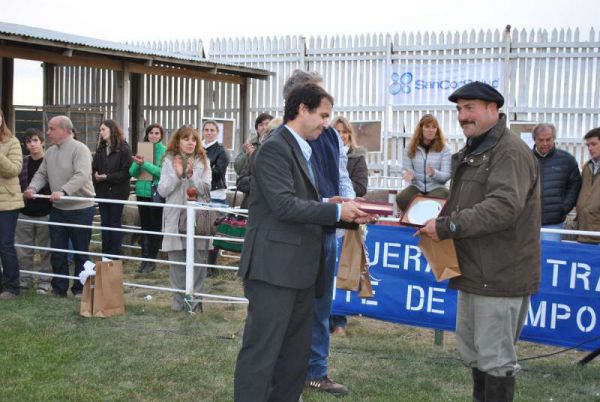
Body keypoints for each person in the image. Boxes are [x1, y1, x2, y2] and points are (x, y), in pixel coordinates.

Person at [233, 83, 369, 402]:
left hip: (299, 272)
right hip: (273, 272)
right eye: (322, 115)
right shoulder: (275, 147)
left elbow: (300, 201)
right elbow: (284, 205)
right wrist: (337, 209)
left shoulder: (300, 147)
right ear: (302, 110)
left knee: (294, 357)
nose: (326, 123)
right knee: (262, 354)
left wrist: (334, 206)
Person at [417, 82, 541, 402]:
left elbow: (503, 208)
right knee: (475, 355)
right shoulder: (476, 150)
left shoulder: (509, 151)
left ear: (492, 109)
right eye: (459, 109)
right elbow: (462, 201)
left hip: (499, 275)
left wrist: (446, 227)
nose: (462, 116)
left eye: (469, 107)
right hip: (473, 273)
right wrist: (435, 220)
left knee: (496, 361)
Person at [282, 71, 356, 396]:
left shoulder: (331, 136)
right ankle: (287, 370)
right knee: (290, 306)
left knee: (321, 304)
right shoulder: (280, 140)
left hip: (327, 231)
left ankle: (316, 371)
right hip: (294, 235)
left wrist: (352, 211)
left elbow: (341, 177)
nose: (324, 114)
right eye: (318, 101)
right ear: (300, 104)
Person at [25, 115, 95, 298]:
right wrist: (32, 187)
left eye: (51, 128)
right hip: (58, 210)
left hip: (80, 208)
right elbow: (42, 174)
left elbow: (82, 174)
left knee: (80, 251)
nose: (47, 132)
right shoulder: (50, 152)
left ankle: (81, 289)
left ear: (64, 130)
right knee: (57, 251)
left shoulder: (81, 150)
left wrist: (64, 191)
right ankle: (59, 288)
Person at [157, 126, 211, 311]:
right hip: (175, 217)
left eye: (194, 139)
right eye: (186, 139)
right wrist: (179, 175)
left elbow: (206, 188)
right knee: (177, 262)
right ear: (178, 141)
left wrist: (192, 175)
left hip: (198, 219)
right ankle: (178, 303)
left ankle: (195, 304)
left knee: (198, 261)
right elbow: (162, 190)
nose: (190, 142)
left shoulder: (203, 161)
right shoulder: (168, 161)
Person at [329, 116, 369, 335]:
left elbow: (361, 186)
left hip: (348, 221)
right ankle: (325, 319)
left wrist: (342, 190)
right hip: (328, 217)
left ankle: (340, 321)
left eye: (344, 132)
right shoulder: (322, 154)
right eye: (337, 131)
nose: (341, 135)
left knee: (342, 271)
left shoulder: (356, 157)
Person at [16, 129, 52, 294]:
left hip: (46, 212)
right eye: (29, 142)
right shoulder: (23, 162)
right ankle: (25, 279)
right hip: (25, 212)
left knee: (46, 250)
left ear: (43, 142)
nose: (32, 144)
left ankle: (45, 281)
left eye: (35, 140)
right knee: (24, 250)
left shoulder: (50, 162)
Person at [532, 123, 581, 241]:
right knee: (527, 258)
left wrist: (563, 208)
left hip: (553, 223)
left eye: (548, 139)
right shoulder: (525, 158)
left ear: (554, 138)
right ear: (534, 140)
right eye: (541, 140)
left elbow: (575, 186)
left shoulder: (567, 160)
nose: (545, 143)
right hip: (528, 222)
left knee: (549, 256)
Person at [92, 119, 132, 258]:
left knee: (114, 222)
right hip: (102, 192)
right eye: (101, 129)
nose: (101, 132)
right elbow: (94, 167)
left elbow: (126, 173)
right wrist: (95, 175)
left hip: (117, 193)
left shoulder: (124, 149)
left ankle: (114, 254)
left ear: (111, 130)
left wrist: (107, 177)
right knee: (105, 222)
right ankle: (105, 253)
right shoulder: (101, 149)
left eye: (103, 129)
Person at [395, 114, 452, 212]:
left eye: (434, 127)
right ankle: (417, 219)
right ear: (421, 129)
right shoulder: (409, 147)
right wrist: (409, 174)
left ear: (437, 130)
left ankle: (424, 221)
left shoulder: (445, 149)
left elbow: (447, 175)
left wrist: (434, 173)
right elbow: (406, 169)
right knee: (401, 198)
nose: (431, 130)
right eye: (427, 126)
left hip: (437, 187)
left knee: (439, 197)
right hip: (417, 187)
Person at [129, 123, 167, 273]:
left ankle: (151, 260)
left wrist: (145, 164)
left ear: (161, 136)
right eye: (151, 133)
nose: (153, 136)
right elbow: (132, 172)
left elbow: (161, 173)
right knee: (144, 227)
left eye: (157, 133)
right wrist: (138, 164)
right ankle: (144, 260)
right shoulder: (142, 149)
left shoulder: (164, 152)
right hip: (141, 192)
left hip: (156, 192)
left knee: (154, 226)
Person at [0, 108, 24, 300]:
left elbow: (14, 169)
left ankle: (12, 288)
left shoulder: (12, 142)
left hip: (7, 203)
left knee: (5, 245)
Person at [236, 117, 282, 209]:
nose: (264, 127)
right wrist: (248, 155)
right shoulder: (252, 146)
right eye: (261, 125)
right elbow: (240, 179)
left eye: (266, 124)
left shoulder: (289, 155)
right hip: (252, 207)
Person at [574, 127, 600, 244]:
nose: (590, 148)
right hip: (584, 229)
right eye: (588, 145)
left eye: (594, 144)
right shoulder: (587, 167)